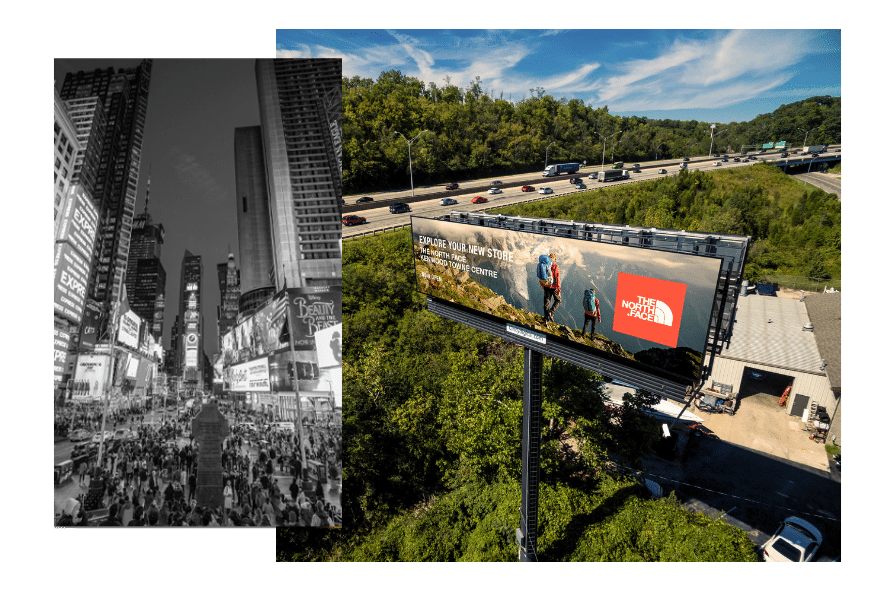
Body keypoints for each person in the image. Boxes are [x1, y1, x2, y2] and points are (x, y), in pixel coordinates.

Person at [539, 252, 561, 325]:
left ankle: (546, 320)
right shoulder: (555, 266)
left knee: (546, 303)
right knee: (558, 300)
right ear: (555, 259)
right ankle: (551, 313)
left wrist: (543, 286)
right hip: (554, 287)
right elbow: (557, 278)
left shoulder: (544, 265)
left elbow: (541, 277)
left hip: (546, 286)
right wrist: (558, 288)